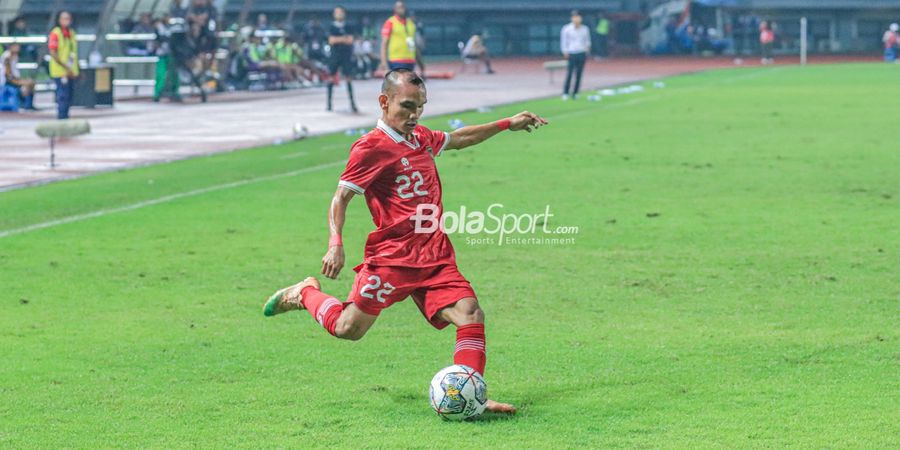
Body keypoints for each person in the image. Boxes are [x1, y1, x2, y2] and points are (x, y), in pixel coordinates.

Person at [262, 69, 548, 415]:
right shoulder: (370, 148)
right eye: (408, 106)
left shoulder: (421, 137)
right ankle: (305, 292)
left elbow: (460, 138)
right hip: (393, 259)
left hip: (434, 254)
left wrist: (506, 124)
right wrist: (335, 243)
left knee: (471, 314)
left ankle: (472, 395)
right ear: (385, 101)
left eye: (421, 107)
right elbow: (340, 198)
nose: (415, 116)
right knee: (347, 329)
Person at [326, 6, 358, 112]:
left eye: (340, 12)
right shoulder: (331, 27)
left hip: (346, 56)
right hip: (334, 55)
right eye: (337, 12)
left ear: (344, 14)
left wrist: (338, 39)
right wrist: (343, 39)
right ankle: (329, 104)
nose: (339, 14)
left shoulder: (349, 26)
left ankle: (352, 103)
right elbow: (331, 41)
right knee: (331, 77)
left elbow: (350, 40)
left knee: (348, 78)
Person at [48, 11, 79, 119]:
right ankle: (61, 118)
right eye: (64, 18)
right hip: (60, 71)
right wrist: (66, 67)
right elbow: (53, 52)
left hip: (71, 71)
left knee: (70, 96)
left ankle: (66, 117)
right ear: (59, 20)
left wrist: (77, 69)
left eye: (68, 18)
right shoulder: (56, 33)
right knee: (63, 96)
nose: (67, 21)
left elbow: (74, 53)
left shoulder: (71, 33)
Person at [379, 1, 419, 72]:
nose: (402, 9)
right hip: (396, 61)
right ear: (395, 9)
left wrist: (420, 62)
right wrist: (384, 63)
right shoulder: (390, 22)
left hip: (410, 60)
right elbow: (384, 44)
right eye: (399, 7)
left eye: (403, 7)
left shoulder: (411, 24)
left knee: (408, 83)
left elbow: (414, 44)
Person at [560, 10, 590, 100]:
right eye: (575, 17)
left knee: (579, 74)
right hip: (572, 52)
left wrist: (587, 50)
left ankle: (576, 92)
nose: (577, 19)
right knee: (569, 73)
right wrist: (565, 51)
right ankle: (565, 92)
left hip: (581, 52)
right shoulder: (567, 29)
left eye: (578, 17)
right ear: (572, 18)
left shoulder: (585, 29)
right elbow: (564, 41)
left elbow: (587, 41)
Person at [1, 43, 36, 110]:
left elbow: (15, 70)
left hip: (14, 78)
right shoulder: (7, 57)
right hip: (8, 80)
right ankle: (25, 104)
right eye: (16, 46)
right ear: (11, 47)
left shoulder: (15, 56)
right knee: (28, 84)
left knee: (31, 82)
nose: (18, 48)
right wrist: (18, 81)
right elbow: (8, 74)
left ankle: (28, 103)